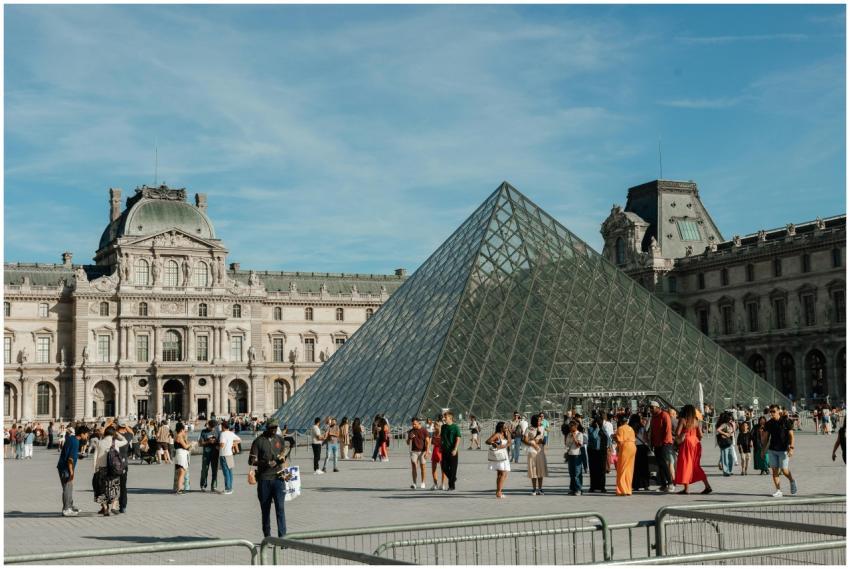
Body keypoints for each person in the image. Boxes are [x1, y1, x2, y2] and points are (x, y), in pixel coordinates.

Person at [249, 418, 289, 539]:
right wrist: (265, 463)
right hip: (264, 479)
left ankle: (283, 537)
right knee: (265, 510)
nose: (274, 430)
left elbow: (283, 459)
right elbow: (251, 461)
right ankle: (267, 537)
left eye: (276, 428)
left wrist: (286, 471)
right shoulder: (258, 441)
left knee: (280, 509)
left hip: (278, 479)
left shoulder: (280, 440)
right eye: (272, 427)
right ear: (267, 427)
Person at [674, 405, 712, 495]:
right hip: (695, 443)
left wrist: (683, 435)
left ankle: (686, 489)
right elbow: (701, 435)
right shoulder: (696, 421)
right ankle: (707, 486)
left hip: (686, 443)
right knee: (695, 465)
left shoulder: (683, 420)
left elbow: (677, 433)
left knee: (685, 464)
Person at [762, 404, 797, 497]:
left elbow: (792, 436)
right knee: (774, 471)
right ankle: (778, 490)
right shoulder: (769, 423)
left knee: (784, 470)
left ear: (778, 411)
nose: (772, 413)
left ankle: (792, 480)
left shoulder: (786, 421)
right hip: (772, 450)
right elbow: (766, 438)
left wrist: (792, 448)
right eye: (771, 411)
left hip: (784, 449)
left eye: (774, 411)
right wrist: (763, 450)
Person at [92, 425, 127, 516]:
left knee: (101, 489)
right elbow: (125, 441)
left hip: (101, 469)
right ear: (113, 433)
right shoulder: (115, 442)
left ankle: (106, 508)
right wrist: (118, 434)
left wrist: (95, 468)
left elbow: (95, 456)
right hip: (113, 469)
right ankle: (114, 507)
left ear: (105, 433)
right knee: (114, 487)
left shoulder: (99, 442)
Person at [57, 426, 89, 516]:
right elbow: (70, 459)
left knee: (69, 488)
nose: (87, 436)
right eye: (86, 434)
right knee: (67, 488)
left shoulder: (71, 438)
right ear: (82, 434)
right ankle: (66, 509)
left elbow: (69, 452)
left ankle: (70, 506)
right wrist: (71, 472)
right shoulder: (75, 442)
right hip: (66, 468)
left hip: (62, 466)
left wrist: (78, 455)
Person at [649, 402, 674, 492]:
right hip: (656, 444)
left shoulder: (664, 415)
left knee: (664, 463)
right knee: (659, 465)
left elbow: (668, 430)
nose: (650, 409)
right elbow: (652, 431)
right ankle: (663, 485)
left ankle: (670, 483)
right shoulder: (653, 417)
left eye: (652, 407)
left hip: (665, 444)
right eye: (650, 408)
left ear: (658, 407)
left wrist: (664, 442)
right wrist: (651, 443)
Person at [485, 421, 511, 498]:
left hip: (504, 454)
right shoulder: (497, 434)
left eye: (506, 426)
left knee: (502, 474)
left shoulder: (506, 434)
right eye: (505, 427)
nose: (506, 427)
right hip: (498, 455)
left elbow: (509, 442)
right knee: (502, 473)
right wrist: (494, 443)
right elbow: (487, 441)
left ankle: (498, 491)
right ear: (501, 428)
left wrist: (505, 445)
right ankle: (499, 492)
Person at [523, 415, 548, 495]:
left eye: (540, 420)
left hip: (540, 451)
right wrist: (533, 441)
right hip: (532, 451)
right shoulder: (528, 429)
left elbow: (543, 440)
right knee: (533, 470)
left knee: (540, 470)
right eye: (539, 421)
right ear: (534, 421)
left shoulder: (542, 428)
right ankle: (534, 489)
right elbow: (525, 440)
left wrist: (542, 441)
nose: (540, 422)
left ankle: (540, 489)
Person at [614, 415, 636, 496]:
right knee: (629, 469)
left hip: (625, 447)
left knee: (622, 468)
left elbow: (619, 441)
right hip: (633, 447)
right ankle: (628, 489)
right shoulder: (631, 428)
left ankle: (622, 490)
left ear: (620, 422)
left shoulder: (620, 428)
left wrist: (614, 437)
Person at [406, 417, 430, 489]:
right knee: (414, 467)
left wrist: (427, 452)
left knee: (423, 467)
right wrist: (409, 438)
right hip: (414, 451)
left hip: (422, 451)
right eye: (412, 424)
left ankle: (423, 482)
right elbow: (407, 443)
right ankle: (414, 483)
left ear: (419, 423)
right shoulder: (411, 431)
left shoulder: (424, 430)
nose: (413, 426)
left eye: (415, 424)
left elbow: (427, 442)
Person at [115, 419, 134, 513]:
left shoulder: (114, 435)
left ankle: (111, 506)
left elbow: (104, 432)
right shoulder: (127, 436)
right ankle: (123, 506)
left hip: (113, 463)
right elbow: (132, 432)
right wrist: (126, 425)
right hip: (124, 464)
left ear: (117, 426)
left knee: (113, 485)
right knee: (123, 486)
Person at [440, 411, 462, 491]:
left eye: (445, 417)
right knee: (444, 467)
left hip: (452, 450)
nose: (444, 418)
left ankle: (451, 486)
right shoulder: (443, 427)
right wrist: (440, 446)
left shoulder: (455, 427)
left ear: (450, 417)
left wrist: (455, 449)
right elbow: (442, 437)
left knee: (453, 469)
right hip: (444, 450)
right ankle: (453, 479)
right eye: (444, 417)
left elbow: (458, 438)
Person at [587, 416, 608, 493]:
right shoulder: (590, 429)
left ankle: (602, 486)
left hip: (602, 451)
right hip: (593, 451)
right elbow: (594, 436)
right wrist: (597, 428)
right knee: (593, 470)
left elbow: (607, 438)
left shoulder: (603, 429)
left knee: (602, 470)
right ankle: (593, 487)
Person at [218, 421, 241, 494]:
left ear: (223, 427)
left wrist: (216, 447)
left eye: (221, 426)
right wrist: (232, 444)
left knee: (226, 472)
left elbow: (222, 445)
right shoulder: (231, 433)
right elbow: (239, 440)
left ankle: (228, 489)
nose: (221, 428)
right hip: (230, 454)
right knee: (230, 472)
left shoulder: (223, 434)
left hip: (224, 454)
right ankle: (230, 487)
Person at [629, 414, 650, 491]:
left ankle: (635, 485)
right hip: (642, 448)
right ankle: (645, 484)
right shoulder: (642, 428)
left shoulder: (630, 428)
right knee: (644, 467)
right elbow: (645, 438)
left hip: (633, 447)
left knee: (635, 467)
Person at [199, 420, 220, 492]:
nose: (213, 429)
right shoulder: (203, 432)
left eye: (215, 427)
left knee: (215, 470)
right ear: (209, 426)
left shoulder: (217, 432)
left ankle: (214, 486)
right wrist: (208, 441)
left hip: (215, 453)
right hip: (206, 454)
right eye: (212, 427)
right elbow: (200, 443)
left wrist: (216, 442)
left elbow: (220, 441)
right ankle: (203, 485)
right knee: (204, 470)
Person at [565, 420, 584, 496]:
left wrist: (574, 437)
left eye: (571, 426)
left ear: (575, 426)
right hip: (570, 455)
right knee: (571, 473)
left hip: (577, 455)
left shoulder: (579, 434)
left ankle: (578, 489)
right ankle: (572, 489)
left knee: (577, 473)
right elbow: (567, 444)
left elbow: (579, 445)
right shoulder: (569, 434)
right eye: (569, 426)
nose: (570, 428)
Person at [173, 422, 191, 494]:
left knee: (180, 472)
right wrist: (192, 443)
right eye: (184, 430)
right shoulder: (179, 436)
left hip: (179, 455)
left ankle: (179, 488)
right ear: (181, 430)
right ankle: (179, 489)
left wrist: (186, 438)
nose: (185, 431)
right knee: (182, 473)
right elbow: (186, 446)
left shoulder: (177, 436)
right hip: (181, 455)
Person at [430, 420, 447, 490]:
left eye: (434, 426)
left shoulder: (442, 433)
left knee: (442, 469)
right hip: (436, 451)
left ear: (438, 426)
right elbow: (432, 442)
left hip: (441, 451)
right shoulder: (434, 433)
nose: (433, 427)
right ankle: (436, 484)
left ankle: (441, 484)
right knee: (434, 469)